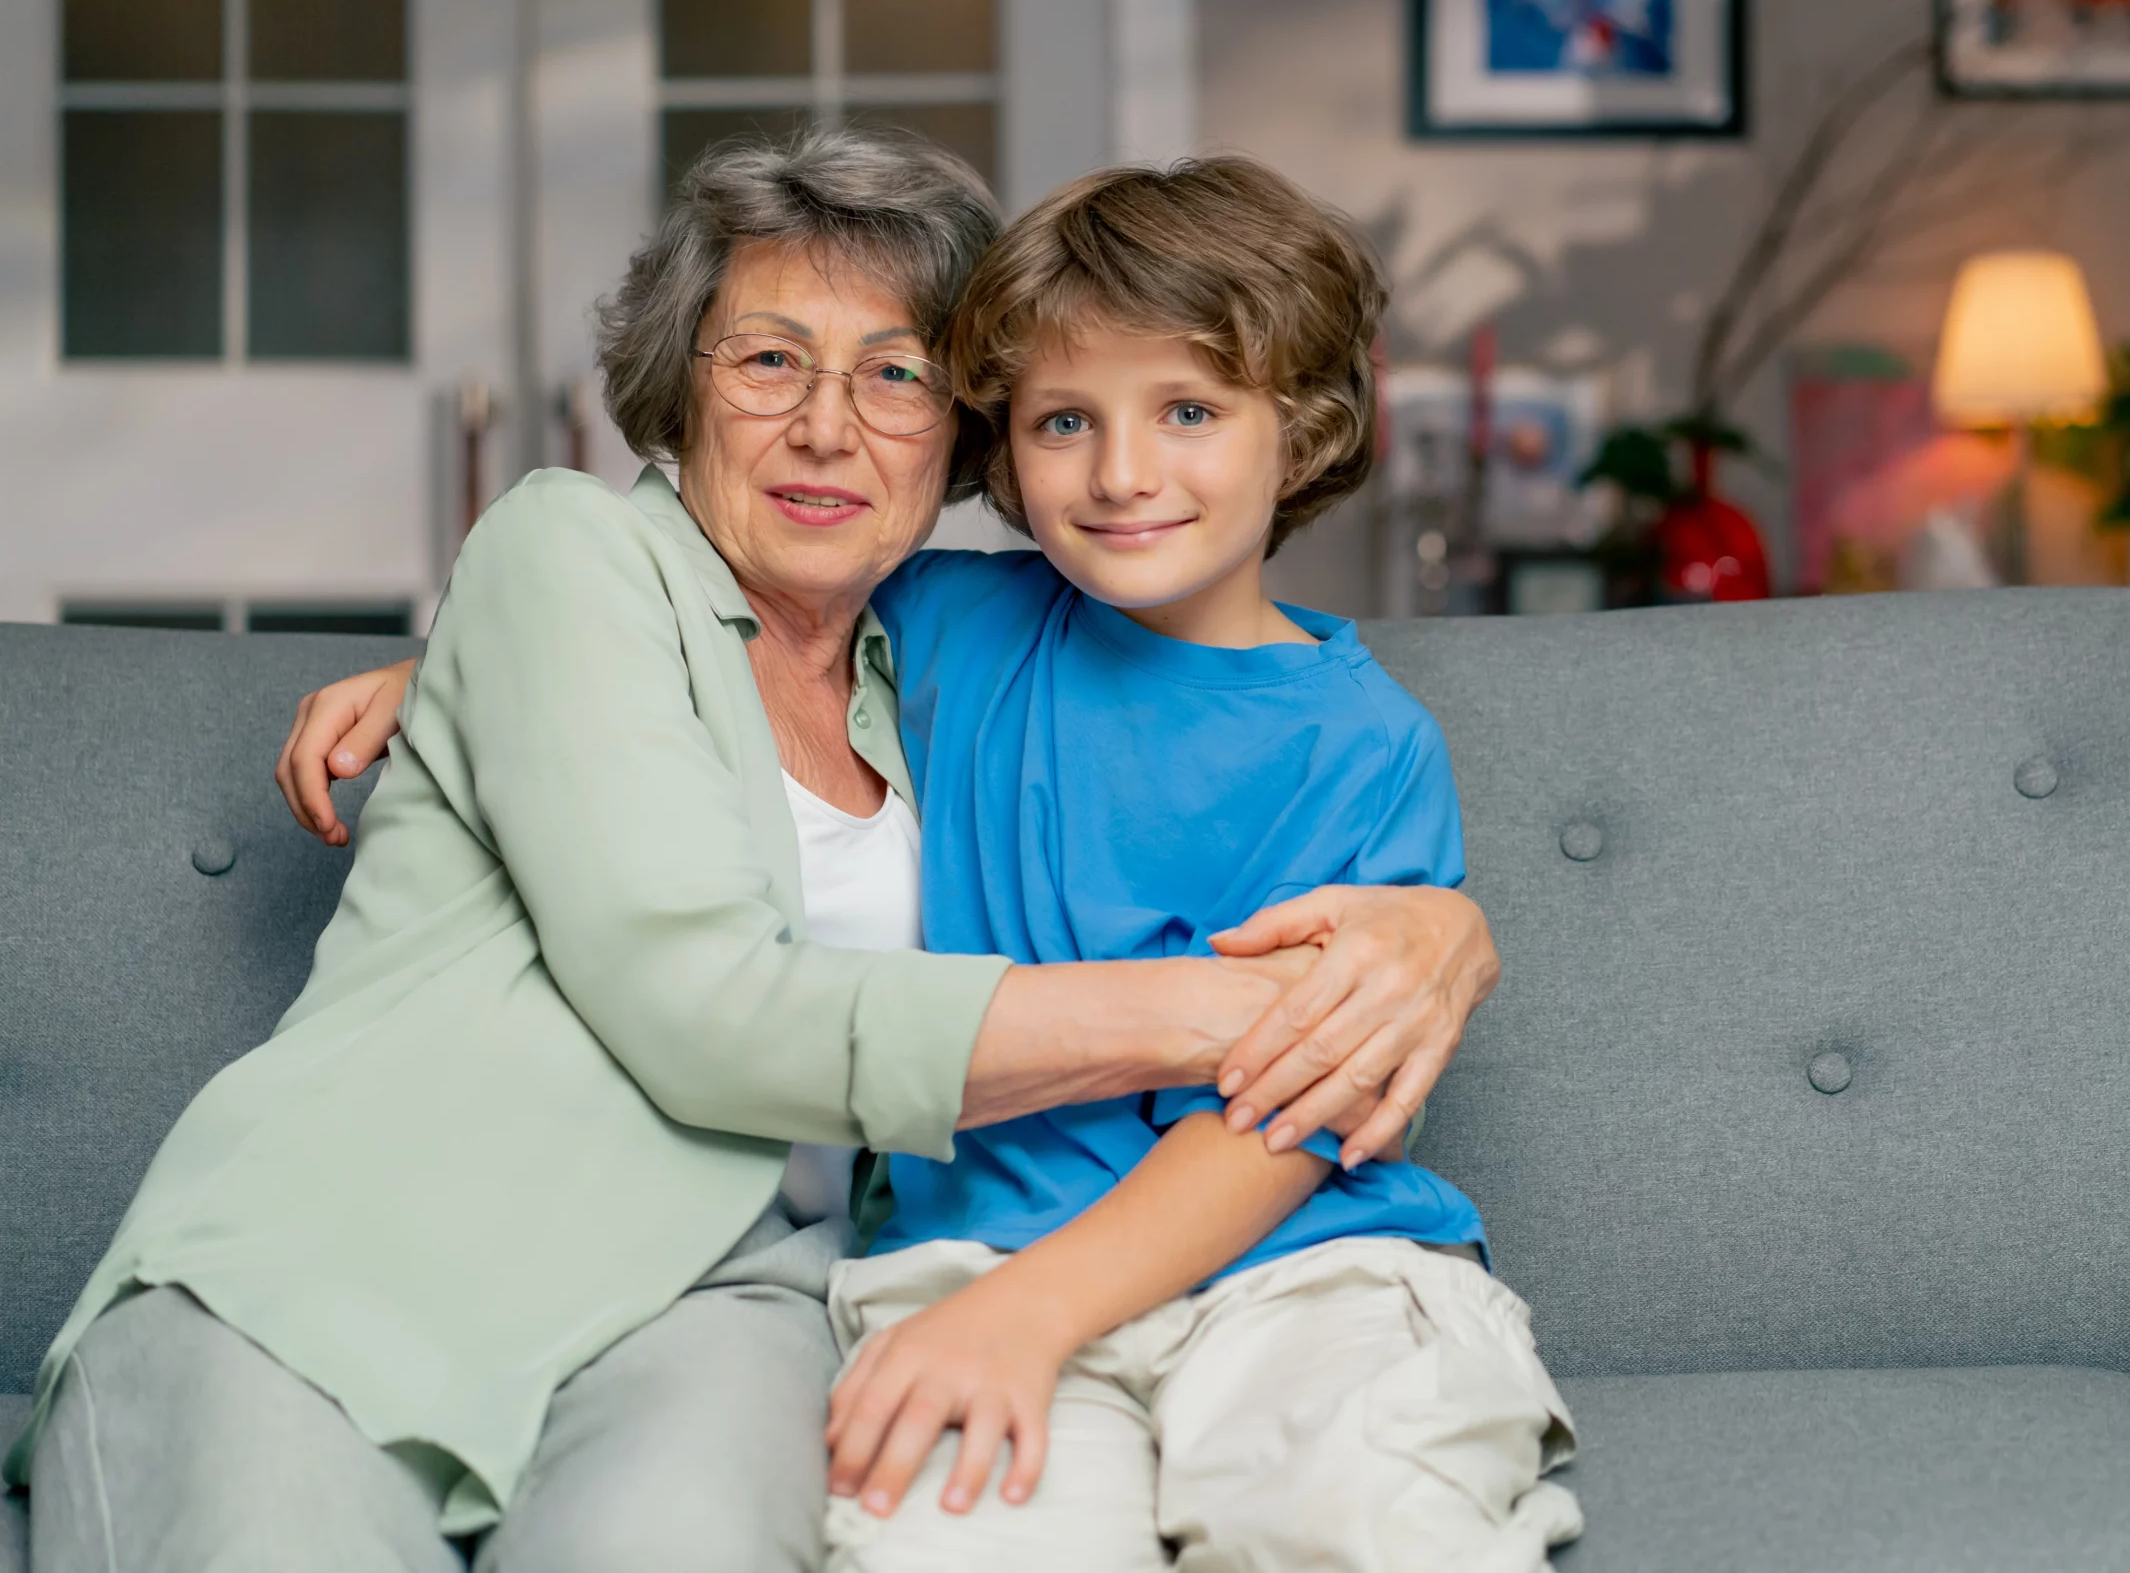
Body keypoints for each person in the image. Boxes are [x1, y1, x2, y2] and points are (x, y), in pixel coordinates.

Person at [12, 128, 1502, 1573]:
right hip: (360, 1250)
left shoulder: (924, 652)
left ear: (960, 435)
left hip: (716, 1307)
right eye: (770, 359)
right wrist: (1245, 1011)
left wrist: (1440, 930)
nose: (828, 426)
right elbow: (706, 1002)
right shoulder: (582, 560)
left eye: (895, 375)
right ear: (679, 387)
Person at [818, 158, 1581, 1571]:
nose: (1121, 472)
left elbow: (1286, 1113)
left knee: (1367, 1523)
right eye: (1063, 419)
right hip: (971, 1257)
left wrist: (1040, 1308)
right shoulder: (941, 623)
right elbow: (701, 607)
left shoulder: (1365, 744)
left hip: (1314, 1271)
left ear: (1297, 430)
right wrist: (452, 675)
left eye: (1188, 409)